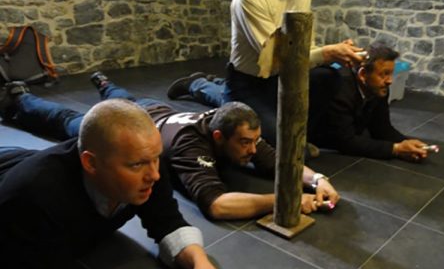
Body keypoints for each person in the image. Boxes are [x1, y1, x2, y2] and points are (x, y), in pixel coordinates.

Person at [0, 98, 225, 269]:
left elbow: (165, 217)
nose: (154, 175)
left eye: (156, 158)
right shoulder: (30, 202)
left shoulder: (146, 164)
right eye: (136, 165)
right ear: (91, 163)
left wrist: (198, 260)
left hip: (22, 160)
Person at [0, 72, 340, 220]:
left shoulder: (232, 125)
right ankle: (21, 99)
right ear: (218, 139)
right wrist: (282, 201)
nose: (253, 150)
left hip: (154, 110)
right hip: (133, 130)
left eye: (254, 141)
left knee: (123, 97)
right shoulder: (191, 146)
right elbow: (217, 205)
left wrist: (316, 179)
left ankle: (105, 83)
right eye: (245, 144)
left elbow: (277, 160)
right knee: (68, 120)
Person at [168, 0, 365, 146]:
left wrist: (335, 54)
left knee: (329, 76)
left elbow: (305, 50)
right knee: (272, 139)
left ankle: (297, 128)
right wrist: (327, 53)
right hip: (249, 84)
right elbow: (273, 59)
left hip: (283, 78)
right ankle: (198, 84)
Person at [313, 42, 430, 161]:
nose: (390, 81)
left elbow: (382, 128)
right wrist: (396, 149)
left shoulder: (378, 89)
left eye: (391, 74)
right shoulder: (342, 92)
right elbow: (346, 142)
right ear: (363, 74)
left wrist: (406, 142)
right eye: (384, 74)